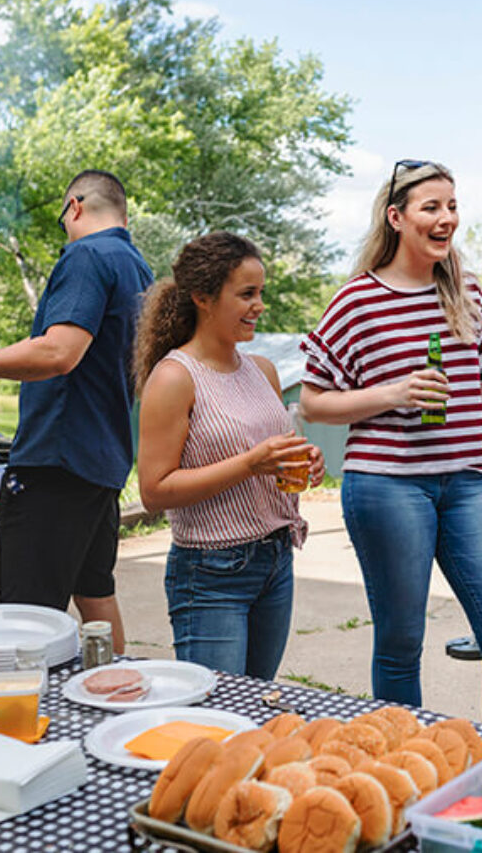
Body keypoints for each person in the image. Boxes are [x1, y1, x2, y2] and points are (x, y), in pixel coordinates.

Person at [299, 160, 482, 728]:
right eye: (432, 207)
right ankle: (403, 767)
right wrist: (392, 393)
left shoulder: (467, 292)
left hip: (467, 486)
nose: (446, 218)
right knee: (402, 641)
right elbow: (313, 402)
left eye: (452, 206)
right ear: (396, 217)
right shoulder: (358, 300)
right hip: (385, 487)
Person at [0, 170, 153, 652]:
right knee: (96, 597)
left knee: (25, 618)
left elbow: (57, 352)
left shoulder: (87, 256)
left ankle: (19, 725)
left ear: (77, 206)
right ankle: (116, 699)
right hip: (100, 464)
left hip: (56, 464)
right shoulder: (137, 268)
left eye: (64, 216)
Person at [134, 231, 325, 679]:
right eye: (246, 294)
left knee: (255, 704)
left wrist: (306, 460)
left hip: (275, 560)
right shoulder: (174, 378)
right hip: (211, 572)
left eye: (260, 293)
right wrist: (250, 464)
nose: (259, 305)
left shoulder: (262, 370)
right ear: (202, 297)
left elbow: (273, 453)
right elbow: (153, 490)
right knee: (215, 715)